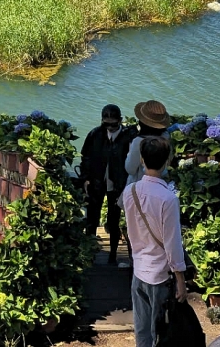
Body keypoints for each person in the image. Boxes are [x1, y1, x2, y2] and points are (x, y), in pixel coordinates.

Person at [120, 136, 187, 347]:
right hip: (159, 274)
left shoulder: (129, 191)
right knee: (160, 332)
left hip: (139, 268)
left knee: (142, 330)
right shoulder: (168, 198)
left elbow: (131, 229)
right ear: (167, 161)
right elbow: (173, 243)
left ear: (141, 159)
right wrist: (181, 280)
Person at [80, 104, 136, 266]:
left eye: (113, 124)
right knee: (92, 218)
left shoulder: (128, 138)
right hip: (96, 182)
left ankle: (112, 255)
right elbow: (86, 157)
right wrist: (85, 178)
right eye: (106, 124)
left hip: (117, 184)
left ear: (120, 120)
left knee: (114, 220)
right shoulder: (95, 135)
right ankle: (89, 254)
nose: (110, 127)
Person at [126, 100, 172, 185]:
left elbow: (130, 169)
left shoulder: (138, 141)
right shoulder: (166, 137)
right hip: (161, 183)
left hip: (139, 184)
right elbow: (169, 161)